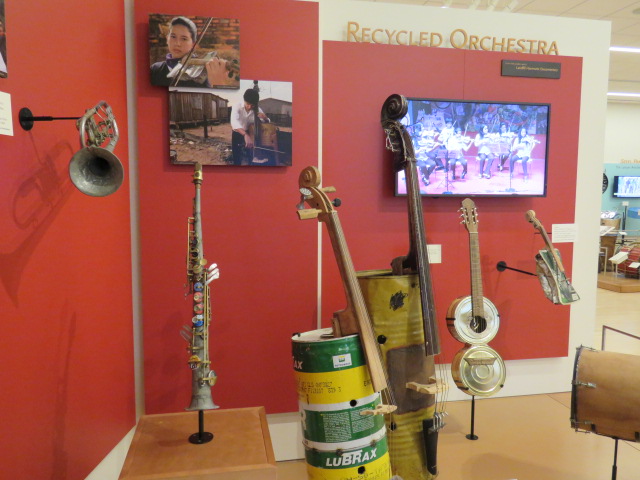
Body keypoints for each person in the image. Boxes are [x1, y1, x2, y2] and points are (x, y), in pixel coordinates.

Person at [150, 16, 230, 88]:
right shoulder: (156, 68)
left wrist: (218, 83)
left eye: (184, 39)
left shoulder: (202, 73)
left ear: (193, 44)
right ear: (167, 39)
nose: (177, 43)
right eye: (173, 37)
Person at [230, 88, 271, 166]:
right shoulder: (236, 106)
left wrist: (265, 118)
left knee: (250, 154)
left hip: (250, 132)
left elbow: (267, 121)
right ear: (244, 100)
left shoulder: (257, 109)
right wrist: (245, 135)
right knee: (236, 154)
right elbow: (234, 122)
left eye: (252, 105)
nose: (249, 107)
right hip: (237, 132)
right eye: (247, 104)